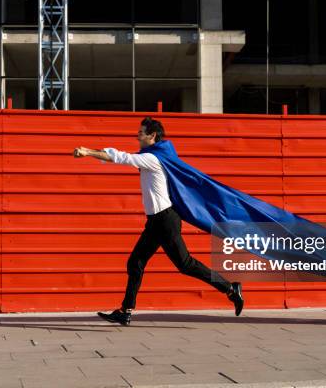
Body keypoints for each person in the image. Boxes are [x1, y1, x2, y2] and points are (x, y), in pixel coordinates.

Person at [73, 117, 243, 326]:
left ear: (152, 136)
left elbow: (122, 157)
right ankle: (126, 311)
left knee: (185, 264)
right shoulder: (150, 157)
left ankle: (229, 288)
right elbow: (119, 155)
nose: (137, 135)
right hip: (156, 222)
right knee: (136, 261)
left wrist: (88, 152)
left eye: (141, 132)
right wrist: (94, 151)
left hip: (165, 220)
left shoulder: (153, 159)